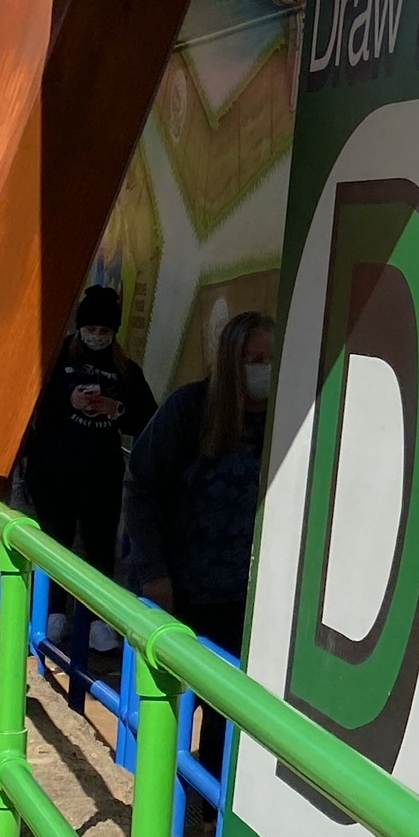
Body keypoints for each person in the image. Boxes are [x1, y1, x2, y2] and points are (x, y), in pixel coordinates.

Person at [124, 311, 275, 770]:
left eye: (271, 358)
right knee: (163, 702)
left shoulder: (287, 414)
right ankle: (149, 789)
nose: (264, 368)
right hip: (182, 588)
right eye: (253, 359)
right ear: (231, 361)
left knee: (225, 710)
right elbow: (143, 487)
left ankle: (208, 805)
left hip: (247, 597)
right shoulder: (191, 408)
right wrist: (153, 572)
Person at [22, 287, 156, 644]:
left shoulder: (126, 370)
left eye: (104, 331)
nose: (97, 336)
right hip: (52, 471)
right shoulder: (55, 358)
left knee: (100, 548)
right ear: (80, 327)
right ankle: (51, 614)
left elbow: (147, 419)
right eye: (91, 329)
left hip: (101, 474)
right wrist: (68, 398)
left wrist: (116, 409)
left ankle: (98, 619)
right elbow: (30, 402)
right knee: (55, 542)